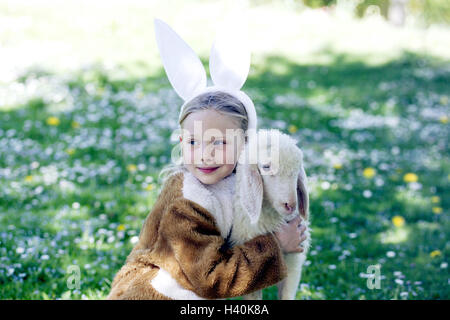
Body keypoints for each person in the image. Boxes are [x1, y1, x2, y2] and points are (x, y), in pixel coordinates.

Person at [107, 91, 307, 300]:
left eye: (219, 143)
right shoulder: (189, 201)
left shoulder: (239, 181)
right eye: (193, 142)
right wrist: (275, 246)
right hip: (152, 293)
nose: (205, 155)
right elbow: (211, 280)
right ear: (182, 142)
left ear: (245, 144)